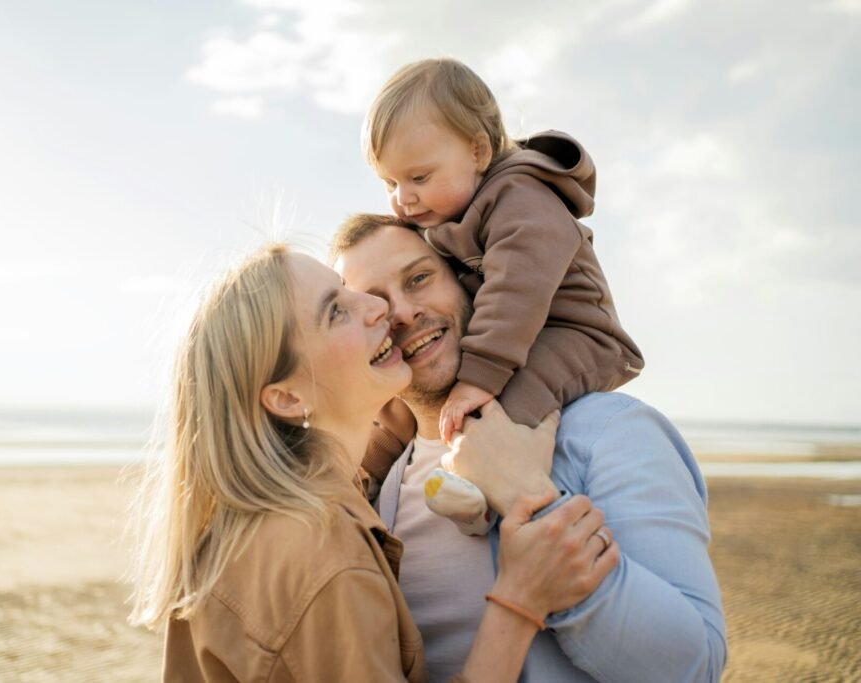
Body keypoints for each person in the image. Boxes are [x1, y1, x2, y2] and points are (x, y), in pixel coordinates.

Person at [127, 244, 621, 682]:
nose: (378, 307)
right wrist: (520, 601)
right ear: (284, 397)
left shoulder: (249, 523)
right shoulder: (322, 556)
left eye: (344, 289)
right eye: (336, 312)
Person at [332, 218, 727, 683]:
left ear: (470, 284)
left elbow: (693, 668)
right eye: (374, 305)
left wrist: (527, 498)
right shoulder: (380, 491)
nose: (401, 312)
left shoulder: (607, 431)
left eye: (419, 278)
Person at [359, 58, 644, 534]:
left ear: (477, 150)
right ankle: (361, 472)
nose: (402, 199)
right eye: (390, 183)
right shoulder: (445, 217)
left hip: (577, 335)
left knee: (508, 401)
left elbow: (516, 290)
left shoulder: (522, 197)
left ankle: (481, 496)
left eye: (419, 178)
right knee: (410, 393)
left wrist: (479, 377)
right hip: (516, 339)